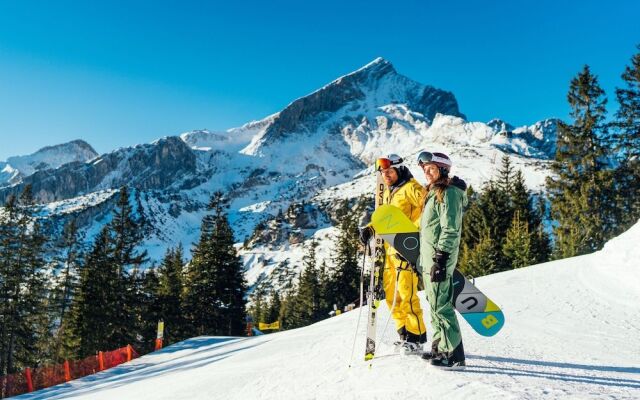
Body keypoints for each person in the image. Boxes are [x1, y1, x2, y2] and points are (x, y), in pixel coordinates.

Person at [359, 154, 427, 354]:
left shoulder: (411, 188)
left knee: (407, 295)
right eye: (383, 173)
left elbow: (429, 210)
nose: (386, 176)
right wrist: (370, 229)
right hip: (388, 251)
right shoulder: (390, 192)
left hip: (405, 250)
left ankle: (417, 337)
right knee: (392, 296)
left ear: (399, 169)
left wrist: (412, 235)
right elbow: (387, 217)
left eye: (389, 172)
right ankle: (404, 334)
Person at [416, 150, 468, 367]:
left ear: (443, 169)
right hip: (429, 260)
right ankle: (440, 346)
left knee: (442, 306)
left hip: (440, 259)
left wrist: (441, 258)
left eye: (431, 169)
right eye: (425, 170)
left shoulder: (449, 193)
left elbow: (451, 229)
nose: (427, 173)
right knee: (434, 303)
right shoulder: (433, 192)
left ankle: (454, 355)